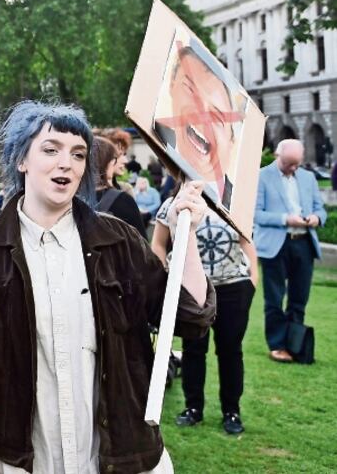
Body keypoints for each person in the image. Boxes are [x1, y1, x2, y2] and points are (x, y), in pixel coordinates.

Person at [0, 100, 215, 474]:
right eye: (50, 150)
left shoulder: (118, 240)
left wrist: (189, 234)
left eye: (78, 154)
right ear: (21, 160)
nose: (65, 163)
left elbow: (190, 318)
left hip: (117, 455)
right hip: (24, 457)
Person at [152, 184, 258, 434]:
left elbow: (247, 242)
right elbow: (158, 244)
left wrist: (252, 281)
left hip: (233, 288)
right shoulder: (172, 204)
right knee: (193, 350)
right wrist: (165, 275)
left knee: (231, 351)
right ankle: (193, 408)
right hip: (191, 290)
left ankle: (232, 411)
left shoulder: (231, 205)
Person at [253, 138, 326, 363]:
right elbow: (256, 214)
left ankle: (295, 345)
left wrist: (316, 218)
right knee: (274, 299)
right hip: (276, 245)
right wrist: (285, 219)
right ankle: (277, 345)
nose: (293, 168)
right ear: (278, 156)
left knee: (299, 299)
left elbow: (320, 209)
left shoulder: (308, 177)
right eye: (289, 163)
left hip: (303, 244)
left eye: (297, 164)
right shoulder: (261, 176)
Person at [153, 44, 239, 209]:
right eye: (191, 90)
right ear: (172, 83)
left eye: (217, 117)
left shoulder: (238, 206)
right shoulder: (155, 134)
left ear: (231, 141)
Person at [92, 135, 146, 236]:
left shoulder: (125, 189)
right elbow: (141, 245)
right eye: (118, 155)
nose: (125, 160)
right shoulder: (122, 199)